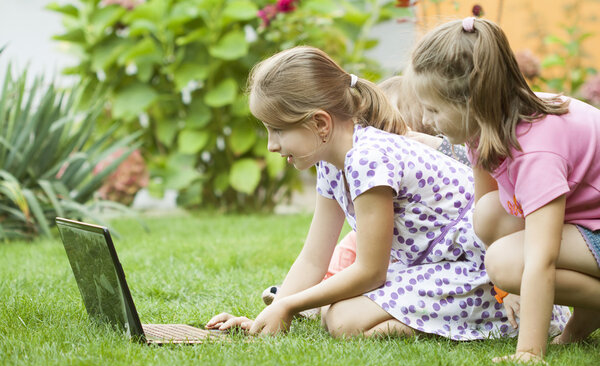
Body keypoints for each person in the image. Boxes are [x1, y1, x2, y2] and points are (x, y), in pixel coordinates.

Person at [206, 45, 569, 341]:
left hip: (482, 270)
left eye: (277, 130)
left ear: (319, 122)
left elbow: (370, 272)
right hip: (431, 266)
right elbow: (314, 259)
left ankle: (479, 322)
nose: (271, 145)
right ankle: (412, 319)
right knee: (336, 312)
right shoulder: (333, 164)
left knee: (344, 320)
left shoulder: (368, 158)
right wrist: (268, 313)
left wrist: (288, 306)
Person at [407, 16, 600, 363]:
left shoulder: (537, 149)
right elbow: (489, 214)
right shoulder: (483, 129)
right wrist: (505, 291)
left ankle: (587, 310)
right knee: (489, 214)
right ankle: (586, 315)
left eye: (434, 109)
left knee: (507, 261)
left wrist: (528, 351)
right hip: (589, 223)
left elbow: (542, 257)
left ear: (472, 102)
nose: (425, 120)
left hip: (593, 228)